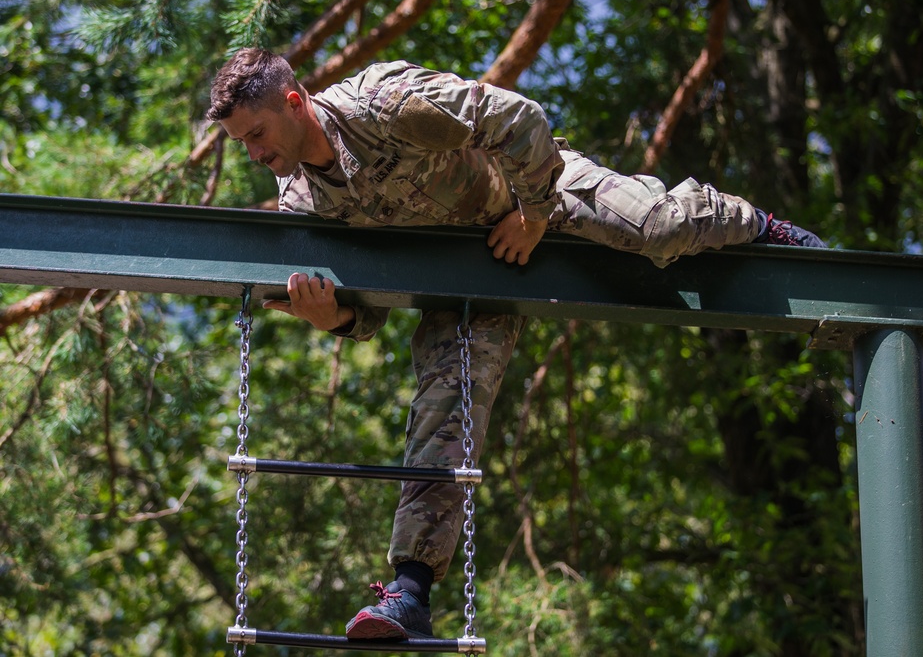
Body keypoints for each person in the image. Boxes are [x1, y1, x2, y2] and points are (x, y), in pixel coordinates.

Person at [207, 48, 825, 640]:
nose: (254, 153)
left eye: (257, 134)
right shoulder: (304, 203)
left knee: (658, 227)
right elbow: (370, 315)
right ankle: (410, 594)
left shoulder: (383, 104)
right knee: (446, 409)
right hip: (462, 278)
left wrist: (532, 212)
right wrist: (332, 319)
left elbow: (519, 119)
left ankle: (761, 225)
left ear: (294, 102)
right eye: (242, 144)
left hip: (534, 190)